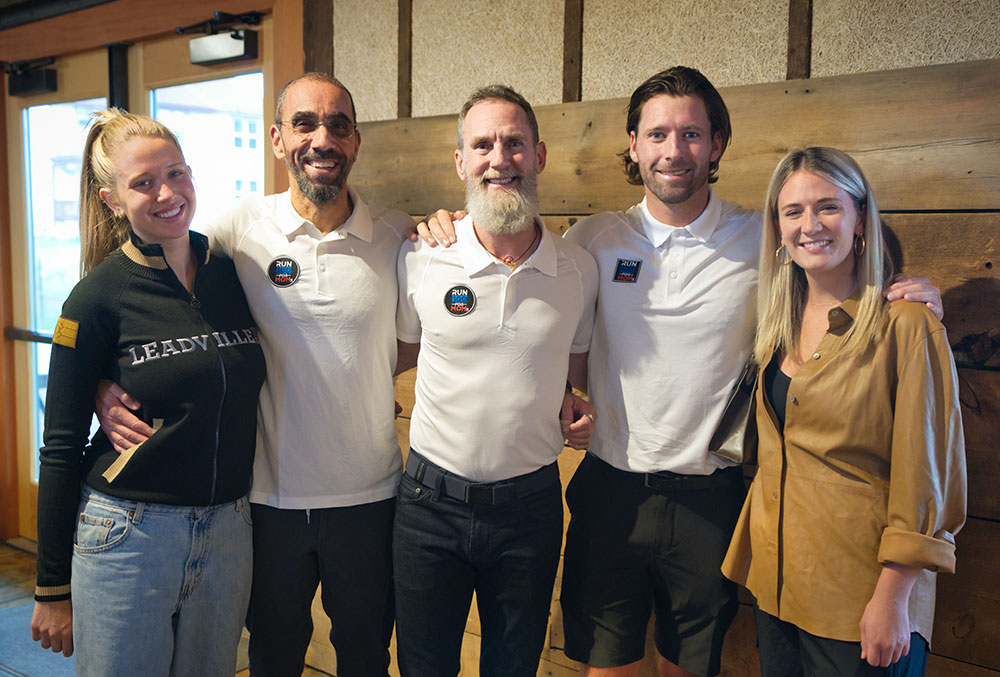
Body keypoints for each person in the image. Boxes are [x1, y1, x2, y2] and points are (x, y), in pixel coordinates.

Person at [417, 67, 944, 677]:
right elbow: (546, 331)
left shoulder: (763, 241)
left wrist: (909, 295)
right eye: (658, 134)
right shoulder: (591, 241)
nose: (674, 151)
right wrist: (444, 228)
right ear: (634, 146)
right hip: (610, 492)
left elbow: (838, 265)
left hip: (711, 500)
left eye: (691, 134)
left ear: (716, 144)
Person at [95, 74, 413, 676]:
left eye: (338, 125)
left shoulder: (397, 235)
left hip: (371, 496)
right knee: (273, 657)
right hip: (264, 500)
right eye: (304, 124)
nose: (323, 138)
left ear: (356, 141)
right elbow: (138, 292)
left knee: (368, 656)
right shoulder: (237, 231)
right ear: (276, 140)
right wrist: (96, 383)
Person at [30, 110, 266, 676]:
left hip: (229, 532)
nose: (168, 193)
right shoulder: (95, 299)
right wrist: (50, 586)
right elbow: (60, 447)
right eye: (143, 183)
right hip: (129, 536)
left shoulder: (234, 273)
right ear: (112, 200)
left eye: (176, 173)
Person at [720, 147, 966, 676]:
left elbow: (928, 478)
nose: (810, 225)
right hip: (776, 584)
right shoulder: (775, 323)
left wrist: (892, 599)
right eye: (793, 212)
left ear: (859, 221)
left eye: (828, 207)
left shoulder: (906, 325)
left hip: (861, 597)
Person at [393, 84, 599, 676]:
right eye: (482, 144)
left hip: (529, 512)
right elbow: (399, 352)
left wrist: (572, 403)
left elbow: (571, 368)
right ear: (461, 162)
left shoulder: (576, 268)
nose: (498, 158)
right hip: (429, 508)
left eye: (514, 143)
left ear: (539, 155)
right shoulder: (421, 256)